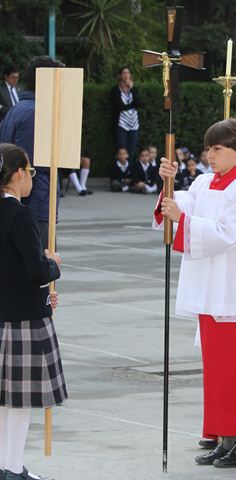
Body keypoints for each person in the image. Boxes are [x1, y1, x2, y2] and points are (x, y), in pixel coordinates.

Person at [156, 116, 236, 469]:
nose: (210, 154)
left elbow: (225, 234)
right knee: (220, 372)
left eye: (218, 148)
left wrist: (183, 218)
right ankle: (227, 437)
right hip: (214, 291)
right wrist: (168, 182)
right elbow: (180, 206)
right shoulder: (206, 182)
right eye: (208, 147)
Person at [0, 143, 67, 480]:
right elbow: (35, 270)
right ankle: (10, 467)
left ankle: (7, 464)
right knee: (19, 402)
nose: (31, 179)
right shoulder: (20, 215)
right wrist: (52, 265)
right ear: (18, 174)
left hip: (6, 316)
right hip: (22, 321)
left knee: (4, 403)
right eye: (30, 172)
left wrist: (42, 295)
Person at [0, 56, 64, 249]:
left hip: (22, 205)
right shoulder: (36, 113)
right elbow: (27, 166)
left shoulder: (18, 108)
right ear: (47, 81)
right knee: (41, 270)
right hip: (34, 205)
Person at [111, 67, 143, 160]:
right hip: (121, 123)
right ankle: (121, 171)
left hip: (134, 123)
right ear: (120, 76)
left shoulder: (133, 88)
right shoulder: (116, 90)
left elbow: (140, 103)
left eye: (128, 73)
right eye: (124, 73)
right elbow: (120, 106)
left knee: (131, 150)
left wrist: (132, 88)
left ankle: (129, 172)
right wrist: (133, 105)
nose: (126, 75)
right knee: (122, 149)